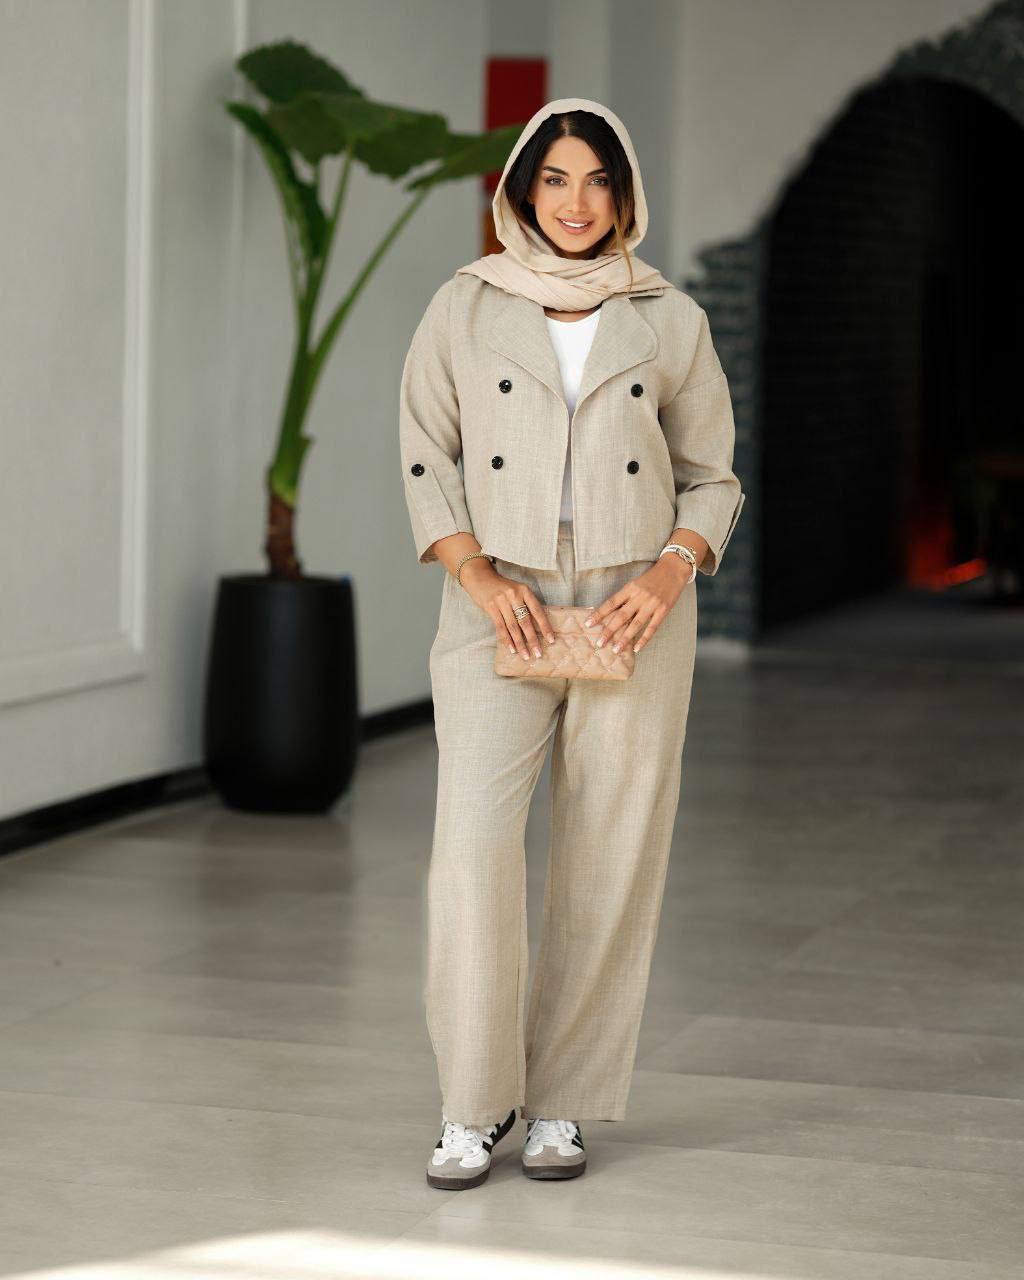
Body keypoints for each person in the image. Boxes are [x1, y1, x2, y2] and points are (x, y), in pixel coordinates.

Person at [398, 97, 746, 1190]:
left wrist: (668, 573)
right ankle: (471, 1104)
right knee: (471, 849)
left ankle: (562, 1103)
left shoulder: (668, 315)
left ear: (625, 192)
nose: (577, 201)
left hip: (633, 602)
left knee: (609, 853)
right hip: (494, 596)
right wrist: (476, 575)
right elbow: (426, 455)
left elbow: (713, 476)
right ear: (521, 188)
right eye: (555, 178)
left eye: (598, 179)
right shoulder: (465, 304)